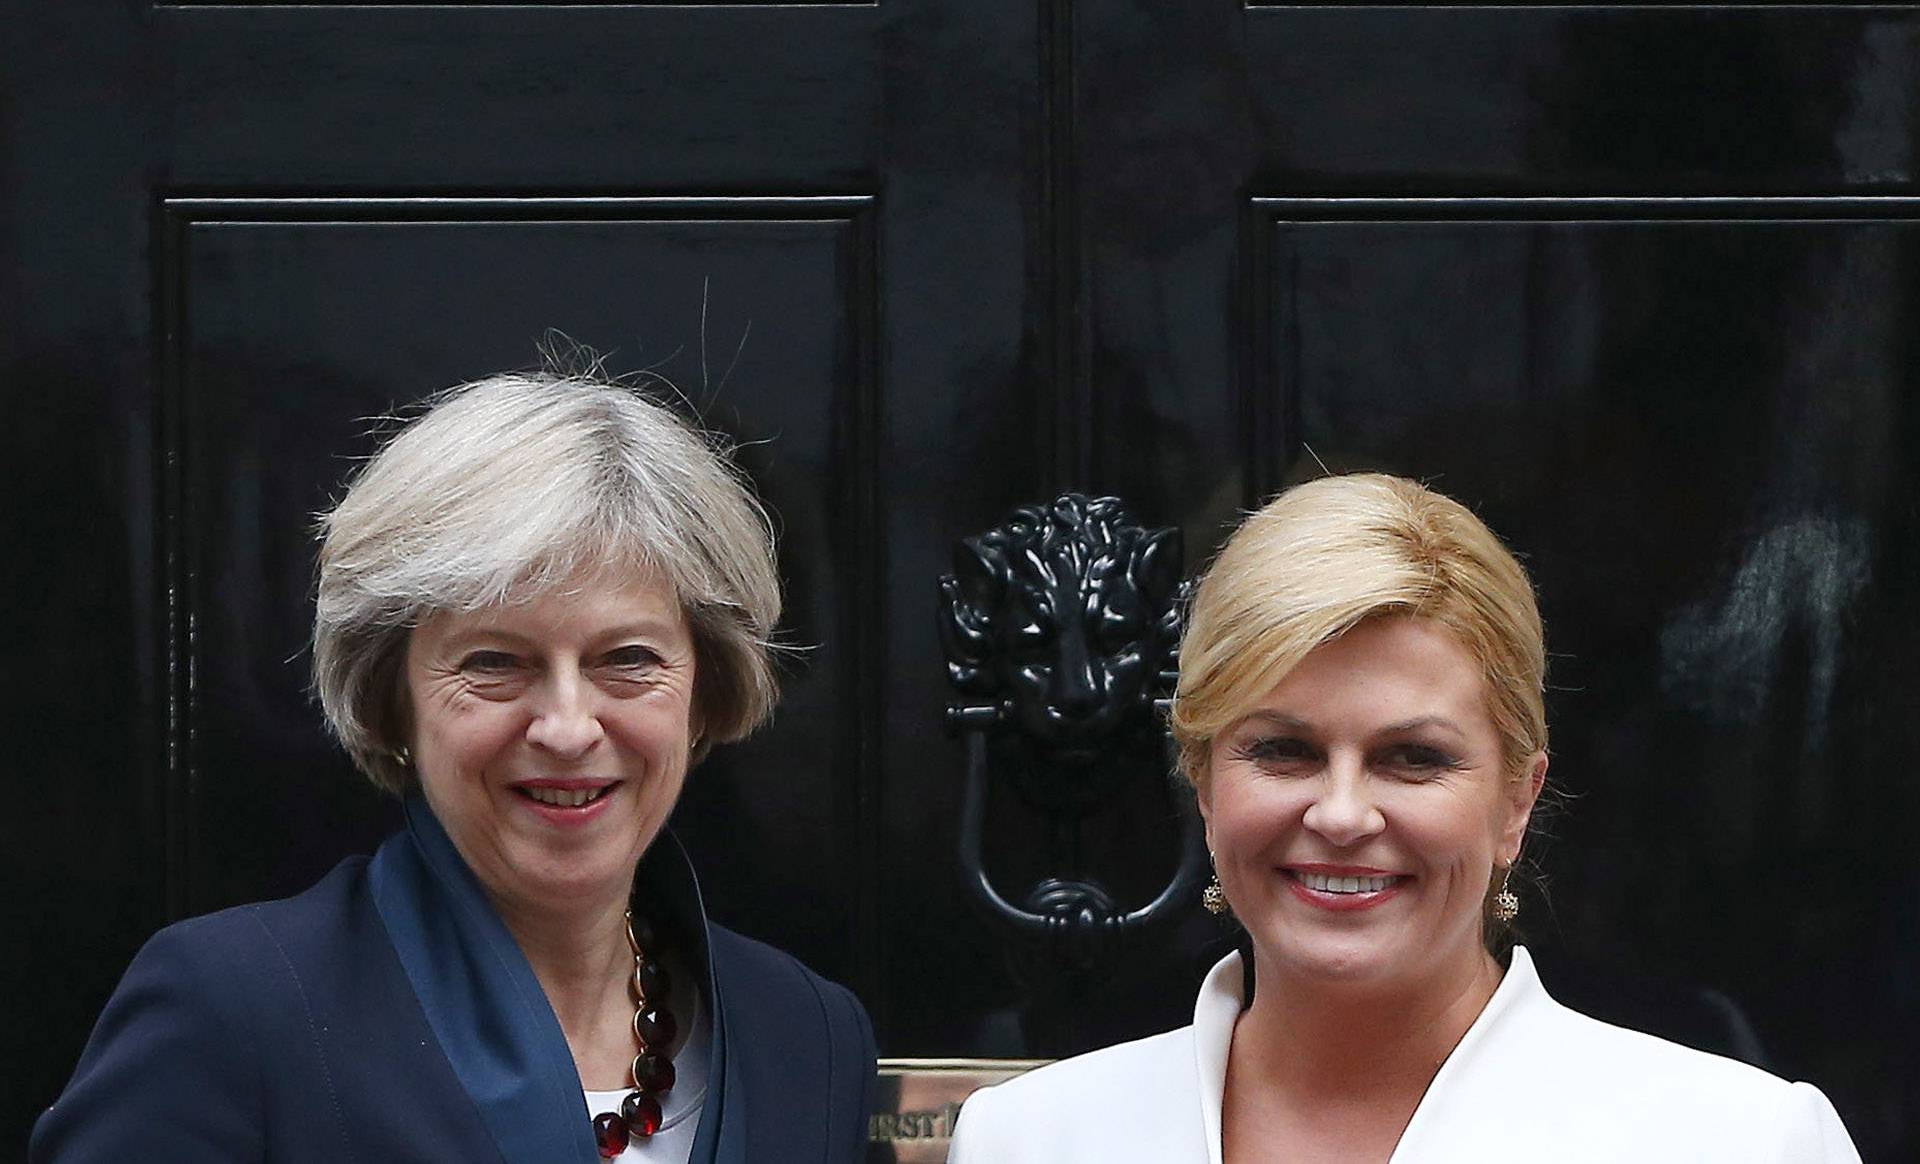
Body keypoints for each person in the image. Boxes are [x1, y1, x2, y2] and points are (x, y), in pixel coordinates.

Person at [33, 372, 876, 1164]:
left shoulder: (809, 1034)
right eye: (494, 662)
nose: (568, 725)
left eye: (625, 657)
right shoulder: (229, 1013)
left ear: (705, 689)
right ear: (393, 699)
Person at [949, 473, 1860, 1163]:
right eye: (1284, 750)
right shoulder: (1028, 1139)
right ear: (1202, 780)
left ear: (1517, 801)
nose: (1342, 812)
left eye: (1413, 758)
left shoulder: (1739, 1142)